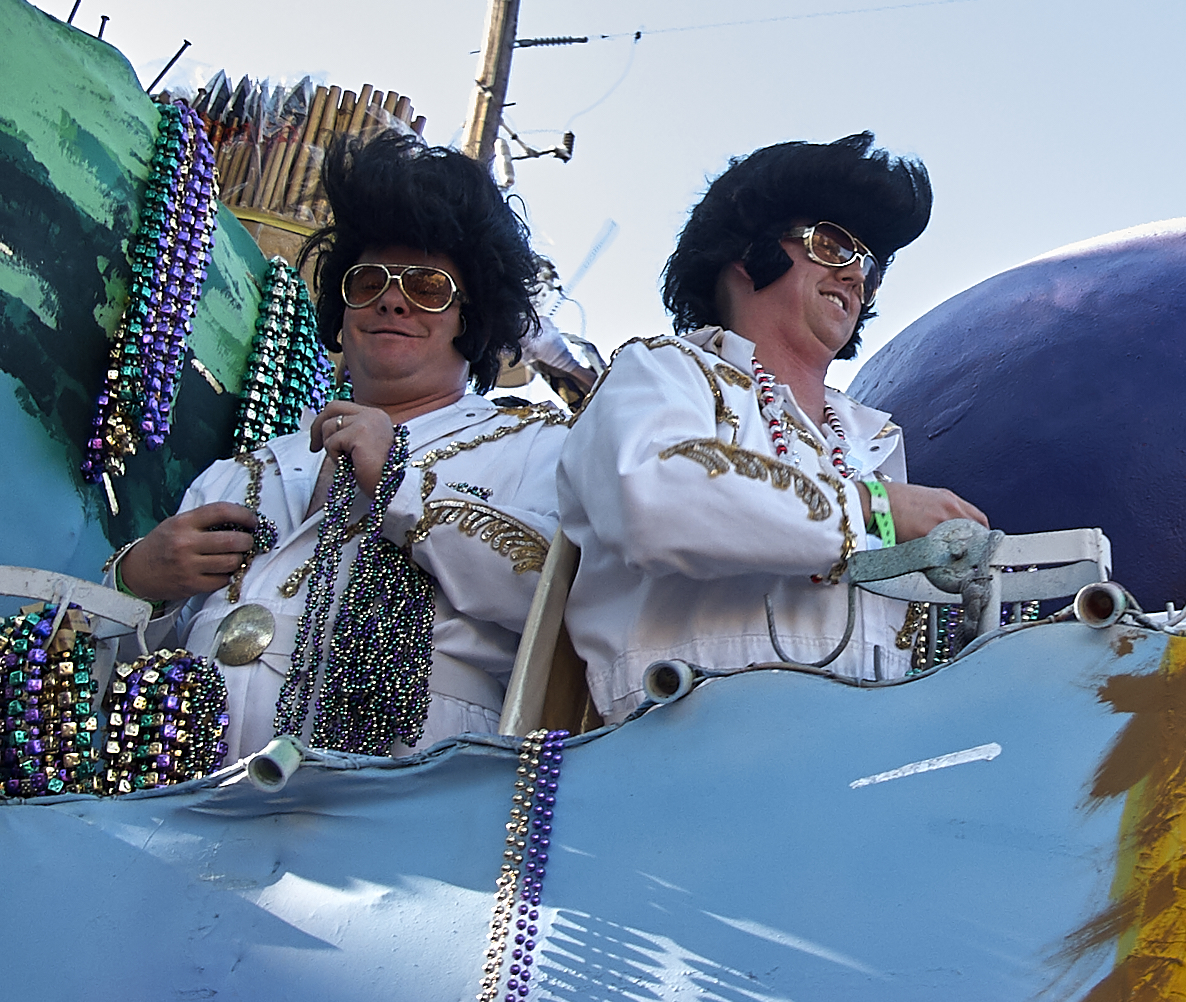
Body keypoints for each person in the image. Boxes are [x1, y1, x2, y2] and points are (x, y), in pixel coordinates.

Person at [109, 133, 567, 760]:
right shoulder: (238, 473)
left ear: (471, 316)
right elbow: (105, 691)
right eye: (368, 279)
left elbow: (555, 604)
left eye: (428, 286)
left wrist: (402, 484)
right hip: (187, 813)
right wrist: (138, 582)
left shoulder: (536, 450)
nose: (392, 298)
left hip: (401, 814)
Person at [558, 132, 988, 722]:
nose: (857, 276)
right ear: (749, 250)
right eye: (834, 245)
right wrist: (872, 507)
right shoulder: (662, 371)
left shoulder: (872, 440)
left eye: (869, 266)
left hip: (867, 755)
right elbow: (654, 501)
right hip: (684, 741)